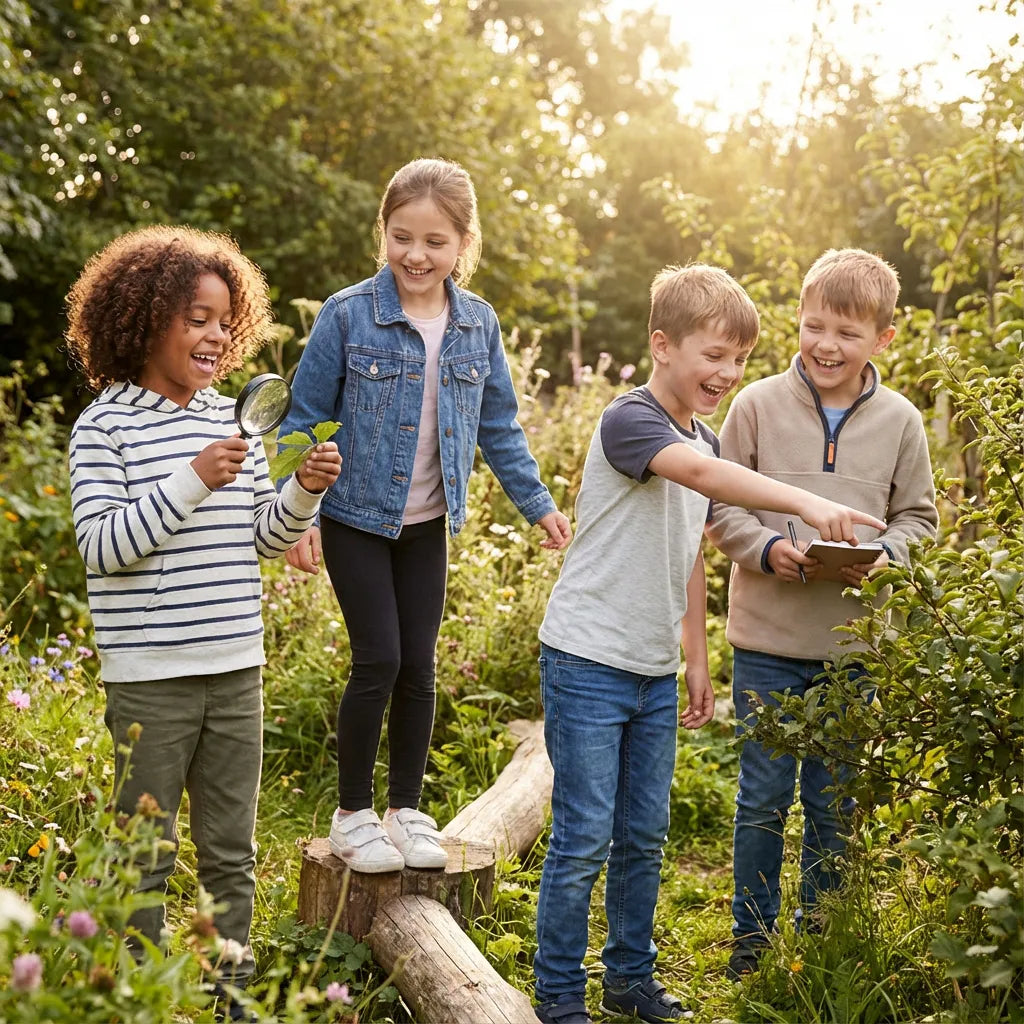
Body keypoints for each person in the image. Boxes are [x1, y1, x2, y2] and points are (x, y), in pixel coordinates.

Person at [532, 263, 889, 1024]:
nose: (726, 373)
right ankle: (559, 993)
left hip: (651, 668)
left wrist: (695, 659)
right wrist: (804, 501)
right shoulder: (631, 421)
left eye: (738, 359)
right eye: (712, 355)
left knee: (645, 834)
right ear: (662, 346)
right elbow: (707, 479)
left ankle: (629, 978)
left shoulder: (704, 432)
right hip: (588, 659)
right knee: (584, 836)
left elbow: (692, 549)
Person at [66, 225, 342, 1016]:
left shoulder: (232, 420)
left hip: (235, 670)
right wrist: (190, 481)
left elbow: (263, 536)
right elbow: (104, 548)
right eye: (196, 317)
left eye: (225, 319)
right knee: (141, 859)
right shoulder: (105, 427)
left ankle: (231, 1002)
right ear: (144, 321)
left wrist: (305, 493)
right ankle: (142, 1004)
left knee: (231, 855)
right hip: (149, 683)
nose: (217, 334)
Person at [279, 157, 572, 874]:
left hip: (427, 523)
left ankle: (406, 809)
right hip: (352, 516)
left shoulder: (478, 326)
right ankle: (352, 815)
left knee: (420, 666)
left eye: (435, 241)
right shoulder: (349, 315)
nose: (416, 255)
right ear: (383, 232)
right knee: (377, 657)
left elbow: (498, 426)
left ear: (463, 245)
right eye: (402, 236)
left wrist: (537, 505)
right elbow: (303, 419)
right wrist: (299, 512)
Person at [705, 248, 938, 980]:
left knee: (836, 802)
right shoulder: (755, 406)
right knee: (763, 796)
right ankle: (752, 945)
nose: (827, 345)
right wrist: (769, 549)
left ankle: (821, 939)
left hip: (853, 645)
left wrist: (885, 559)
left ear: (882, 340)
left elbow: (920, 520)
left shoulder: (901, 421)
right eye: (814, 326)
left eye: (846, 331)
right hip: (768, 640)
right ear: (797, 322)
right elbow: (720, 504)